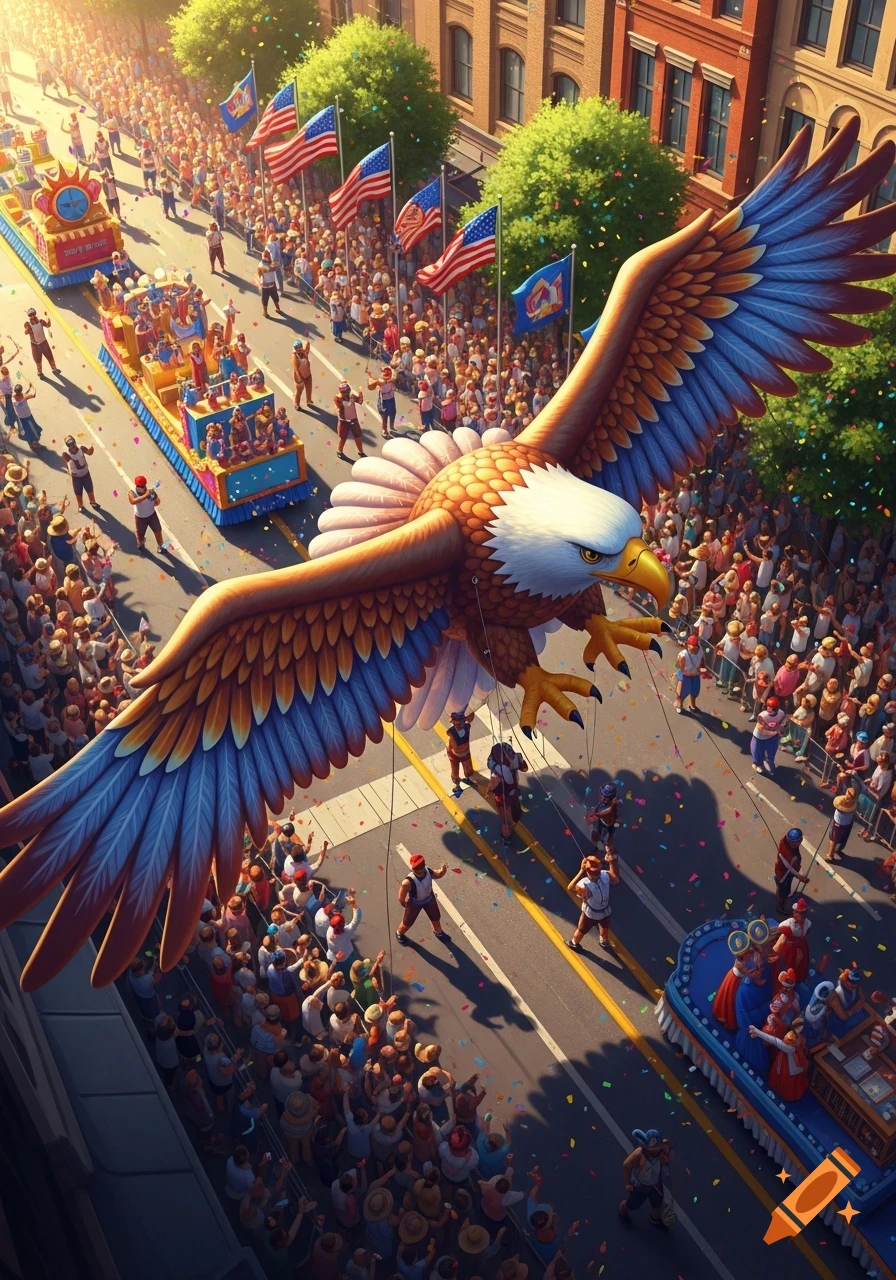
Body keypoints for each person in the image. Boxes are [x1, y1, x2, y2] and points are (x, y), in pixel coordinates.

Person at [618, 1129, 673, 1232]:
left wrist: (667, 1152)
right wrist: (627, 1184)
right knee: (633, 1205)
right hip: (640, 1185)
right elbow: (626, 1165)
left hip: (656, 1183)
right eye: (652, 1150)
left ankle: (654, 1219)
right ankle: (623, 1210)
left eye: (657, 1149)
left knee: (657, 1203)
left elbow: (670, 1155)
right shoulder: (639, 1153)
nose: (655, 1152)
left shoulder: (662, 1148)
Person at [565, 852, 619, 952]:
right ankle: (575, 942)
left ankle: (602, 940)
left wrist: (611, 863)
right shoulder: (587, 882)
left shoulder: (601, 876)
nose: (596, 874)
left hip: (601, 911)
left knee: (602, 926)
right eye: (595, 872)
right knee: (583, 929)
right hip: (595, 912)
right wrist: (581, 871)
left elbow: (615, 880)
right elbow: (570, 888)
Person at [396, 854, 450, 945]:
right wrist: (404, 903)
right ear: (413, 869)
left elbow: (438, 874)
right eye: (418, 869)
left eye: (421, 867)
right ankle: (399, 933)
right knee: (408, 921)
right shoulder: (408, 882)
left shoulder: (428, 871)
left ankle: (438, 931)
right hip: (415, 902)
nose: (420, 870)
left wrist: (443, 871)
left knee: (435, 916)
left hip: (429, 898)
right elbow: (401, 896)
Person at [486, 741, 528, 846]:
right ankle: (516, 817)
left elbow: (492, 786)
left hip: (503, 798)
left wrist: (488, 792)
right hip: (514, 790)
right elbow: (524, 768)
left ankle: (506, 835)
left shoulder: (496, 771)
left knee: (505, 818)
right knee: (515, 807)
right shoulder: (515, 760)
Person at [773, 828, 808, 915]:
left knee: (782, 889)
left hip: (780, 870)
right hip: (784, 875)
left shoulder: (783, 840)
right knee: (783, 892)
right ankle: (780, 907)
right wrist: (800, 877)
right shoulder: (794, 857)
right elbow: (790, 868)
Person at [750, 695, 786, 775]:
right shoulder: (762, 716)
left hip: (773, 736)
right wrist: (775, 733)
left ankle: (770, 763)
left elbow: (781, 723)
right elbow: (761, 729)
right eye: (768, 707)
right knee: (757, 751)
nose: (769, 710)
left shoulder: (781, 713)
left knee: (772, 751)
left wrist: (781, 730)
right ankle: (757, 764)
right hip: (760, 737)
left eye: (772, 709)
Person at [129, 475, 165, 553]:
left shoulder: (151, 492)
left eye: (141, 486)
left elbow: (157, 502)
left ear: (145, 485)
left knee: (158, 531)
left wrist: (155, 501)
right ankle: (141, 542)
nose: (140, 487)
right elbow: (132, 501)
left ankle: (160, 546)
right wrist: (145, 496)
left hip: (152, 516)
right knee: (140, 534)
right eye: (138, 486)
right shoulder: (132, 492)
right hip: (140, 517)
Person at [62, 436, 97, 511]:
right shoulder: (65, 453)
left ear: (74, 441)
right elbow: (68, 462)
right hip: (76, 476)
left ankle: (93, 502)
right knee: (78, 492)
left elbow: (89, 453)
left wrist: (91, 447)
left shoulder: (81, 448)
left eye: (72, 443)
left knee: (89, 488)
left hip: (85, 473)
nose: (72, 447)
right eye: (69, 444)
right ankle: (80, 505)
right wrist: (70, 471)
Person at [445, 708, 475, 797]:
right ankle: (457, 785)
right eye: (456, 724)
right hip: (455, 755)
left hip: (465, 753)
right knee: (455, 771)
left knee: (468, 769)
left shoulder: (467, 727)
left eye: (460, 723)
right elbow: (456, 748)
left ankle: (468, 777)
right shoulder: (451, 732)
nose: (458, 725)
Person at [334, 383, 366, 462]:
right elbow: (340, 406)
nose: (346, 394)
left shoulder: (351, 396)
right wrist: (349, 400)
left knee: (358, 436)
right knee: (343, 437)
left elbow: (360, 401)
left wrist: (360, 393)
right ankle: (339, 450)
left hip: (353, 419)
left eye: (347, 392)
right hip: (344, 421)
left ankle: (361, 452)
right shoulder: (338, 398)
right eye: (344, 393)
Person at [826, 786, 858, 862]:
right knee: (838, 838)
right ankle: (832, 853)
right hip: (845, 822)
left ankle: (832, 853)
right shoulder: (852, 804)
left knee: (835, 838)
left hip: (840, 821)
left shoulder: (843, 802)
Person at [586, 783, 618, 855]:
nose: (602, 799)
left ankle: (605, 855)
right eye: (601, 796)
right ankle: (594, 847)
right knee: (595, 834)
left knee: (606, 843)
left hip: (606, 826)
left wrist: (591, 817)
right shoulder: (605, 802)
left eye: (605, 798)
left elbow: (600, 814)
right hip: (600, 822)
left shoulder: (610, 809)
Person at [674, 634, 702, 714]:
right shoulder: (683, 654)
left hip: (696, 675)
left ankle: (693, 705)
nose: (694, 649)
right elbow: (680, 666)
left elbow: (701, 658)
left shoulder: (700, 650)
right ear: (688, 646)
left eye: (695, 647)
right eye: (692, 647)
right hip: (685, 676)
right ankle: (679, 704)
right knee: (683, 692)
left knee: (695, 691)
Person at [12, 385, 41, 450]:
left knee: (25, 430)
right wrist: (33, 388)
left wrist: (28, 388)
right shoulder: (24, 398)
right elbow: (33, 395)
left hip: (21, 418)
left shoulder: (13, 399)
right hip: (27, 416)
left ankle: (30, 442)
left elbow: (23, 394)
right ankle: (32, 444)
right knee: (31, 429)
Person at [258, 250, 283, 318]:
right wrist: (262, 272)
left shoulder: (272, 263)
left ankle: (278, 309)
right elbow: (260, 272)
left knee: (275, 298)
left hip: (272, 284)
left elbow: (274, 267)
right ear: (262, 257)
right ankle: (265, 312)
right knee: (264, 300)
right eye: (264, 256)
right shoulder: (261, 264)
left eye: (267, 256)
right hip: (265, 286)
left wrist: (272, 266)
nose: (266, 257)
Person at [293, 340, 313, 409]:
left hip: (307, 374)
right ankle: (297, 404)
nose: (299, 351)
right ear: (295, 350)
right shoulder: (294, 357)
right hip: (300, 377)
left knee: (309, 388)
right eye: (298, 350)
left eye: (300, 349)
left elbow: (308, 346)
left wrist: (307, 341)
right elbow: (295, 368)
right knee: (299, 392)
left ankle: (308, 400)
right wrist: (299, 377)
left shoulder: (304, 352)